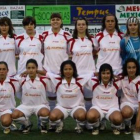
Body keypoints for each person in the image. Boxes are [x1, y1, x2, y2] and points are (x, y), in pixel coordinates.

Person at [48, 60, 90, 133]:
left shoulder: (80, 79)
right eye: (65, 69)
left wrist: (111, 75)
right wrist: (28, 73)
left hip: (77, 107)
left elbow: (94, 74)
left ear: (74, 70)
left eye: (70, 69)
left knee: (82, 116)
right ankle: (59, 124)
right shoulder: (57, 79)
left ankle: (79, 125)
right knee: (52, 117)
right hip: (61, 107)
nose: (68, 71)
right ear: (62, 70)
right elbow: (45, 73)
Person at [12, 59, 51, 134]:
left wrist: (41, 72)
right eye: (29, 68)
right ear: (26, 69)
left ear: (37, 68)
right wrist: (22, 74)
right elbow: (14, 79)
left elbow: (52, 78)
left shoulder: (44, 79)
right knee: (14, 115)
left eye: (33, 68)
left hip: (40, 105)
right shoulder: (22, 80)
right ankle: (27, 124)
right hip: (26, 106)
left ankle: (43, 125)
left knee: (45, 113)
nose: (31, 70)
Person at [86, 63, 123, 135]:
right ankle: (96, 126)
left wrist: (115, 76)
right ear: (100, 74)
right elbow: (84, 78)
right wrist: (95, 73)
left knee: (118, 119)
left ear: (111, 74)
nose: (106, 75)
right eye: (103, 73)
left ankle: (114, 126)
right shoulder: (93, 82)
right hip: (97, 108)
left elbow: (124, 78)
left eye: (108, 73)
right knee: (90, 116)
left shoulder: (116, 82)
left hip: (112, 108)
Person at [69, 17, 95, 111]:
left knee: (89, 98)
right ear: (76, 26)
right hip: (77, 74)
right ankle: (80, 123)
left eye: (83, 24)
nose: (81, 26)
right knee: (78, 99)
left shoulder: (92, 39)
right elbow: (69, 55)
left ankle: (89, 122)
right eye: (79, 24)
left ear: (87, 26)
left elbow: (95, 53)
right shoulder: (71, 41)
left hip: (90, 73)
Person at [120, 58, 140, 134]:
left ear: (137, 68)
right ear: (126, 68)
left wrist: (138, 122)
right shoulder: (122, 79)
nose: (131, 70)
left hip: (138, 105)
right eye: (129, 68)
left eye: (133, 67)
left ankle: (134, 121)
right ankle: (127, 123)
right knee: (126, 112)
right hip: (127, 104)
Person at [0, 61, 19, 134]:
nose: (1, 71)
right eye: (0, 69)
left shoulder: (14, 82)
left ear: (7, 71)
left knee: (5, 121)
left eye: (4, 69)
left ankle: (9, 123)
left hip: (7, 109)